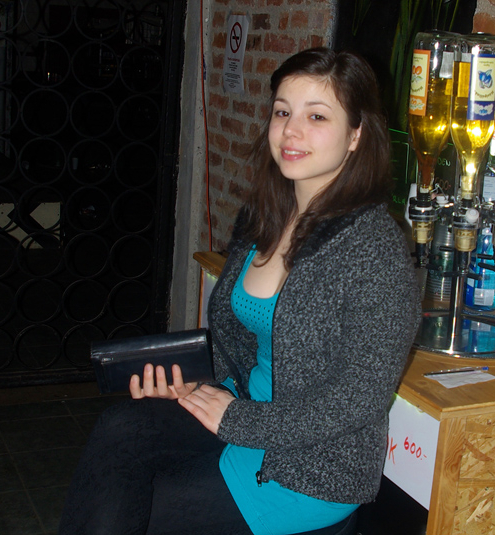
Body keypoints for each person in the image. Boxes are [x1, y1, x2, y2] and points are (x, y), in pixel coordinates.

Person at [59, 47, 420, 535]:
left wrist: (238, 421)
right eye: (282, 112)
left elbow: (360, 396)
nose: (291, 131)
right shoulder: (262, 217)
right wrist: (197, 384)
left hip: (308, 466)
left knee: (142, 512)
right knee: (121, 429)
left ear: (356, 135)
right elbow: (242, 343)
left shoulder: (374, 246)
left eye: (317, 116)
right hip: (240, 414)